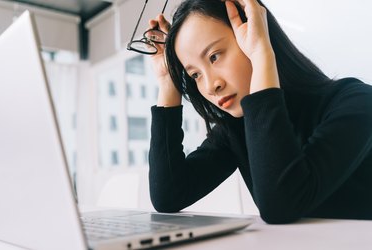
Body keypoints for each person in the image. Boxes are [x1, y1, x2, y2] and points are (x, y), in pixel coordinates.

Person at [146, 0, 372, 224]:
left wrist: (262, 54)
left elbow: (281, 205)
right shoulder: (238, 127)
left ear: (254, 33)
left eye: (214, 56)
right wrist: (168, 80)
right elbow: (169, 194)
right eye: (195, 75)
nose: (209, 86)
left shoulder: (359, 102)